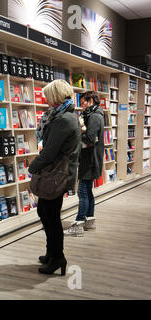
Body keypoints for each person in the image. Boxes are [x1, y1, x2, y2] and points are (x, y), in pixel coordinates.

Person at [28, 79, 81, 276]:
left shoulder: (63, 120)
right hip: (56, 172)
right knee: (46, 212)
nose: (46, 100)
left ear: (56, 96)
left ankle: (58, 257)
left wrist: (33, 168)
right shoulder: (64, 115)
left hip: (56, 173)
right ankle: (52, 252)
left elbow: (50, 152)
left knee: (51, 216)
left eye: (49, 97)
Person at [65, 91, 104, 237]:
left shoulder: (94, 116)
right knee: (87, 191)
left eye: (83, 103)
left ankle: (79, 223)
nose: (82, 106)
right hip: (91, 159)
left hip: (90, 160)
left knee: (82, 191)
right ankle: (89, 220)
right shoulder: (95, 114)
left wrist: (76, 136)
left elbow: (89, 138)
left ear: (91, 101)